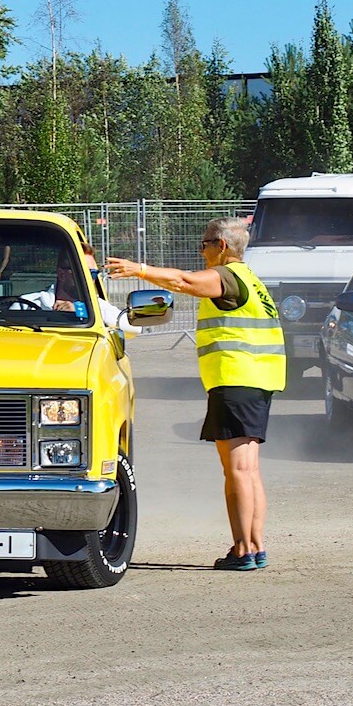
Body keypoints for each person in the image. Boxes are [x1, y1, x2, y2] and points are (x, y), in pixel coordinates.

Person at [105, 217, 286, 572]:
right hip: (256, 381)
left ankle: (243, 550)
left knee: (236, 470)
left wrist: (139, 270)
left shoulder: (228, 277)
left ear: (221, 246)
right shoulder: (251, 280)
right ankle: (255, 546)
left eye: (203, 244)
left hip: (235, 380)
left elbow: (183, 282)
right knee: (248, 470)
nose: (200, 251)